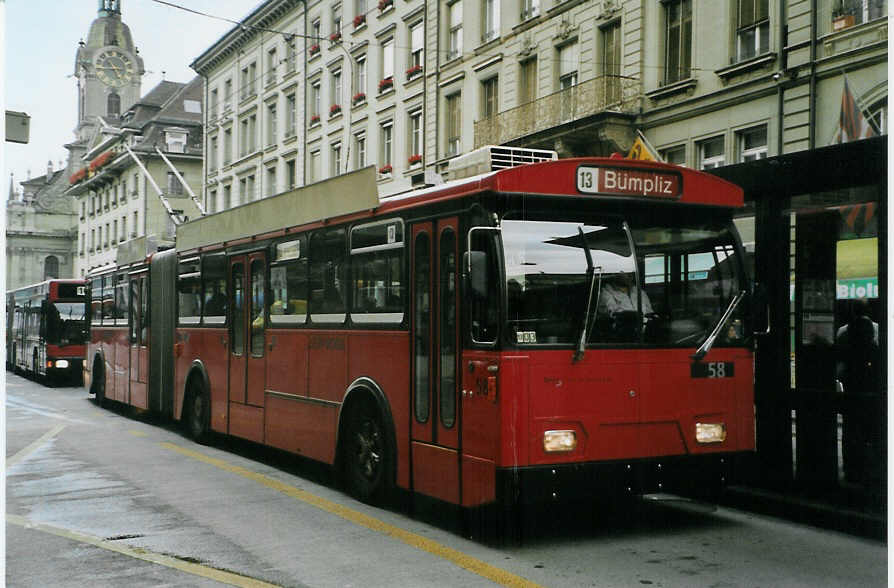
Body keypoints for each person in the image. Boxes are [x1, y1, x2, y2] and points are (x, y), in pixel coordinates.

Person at [835, 298, 882, 484]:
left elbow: (840, 363)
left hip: (852, 386)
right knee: (872, 427)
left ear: (852, 311)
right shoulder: (878, 329)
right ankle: (871, 467)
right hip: (872, 386)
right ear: (869, 310)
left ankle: (851, 468)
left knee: (851, 429)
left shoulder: (843, 331)